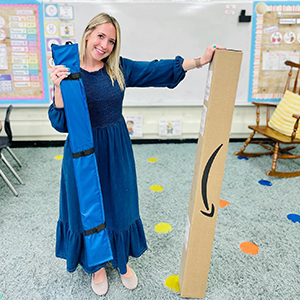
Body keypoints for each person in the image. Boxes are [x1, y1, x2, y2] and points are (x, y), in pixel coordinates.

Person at [48, 12, 222, 296]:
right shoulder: (67, 70)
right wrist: (57, 87)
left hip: (115, 148)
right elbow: (60, 123)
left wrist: (200, 62)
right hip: (81, 153)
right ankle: (97, 266)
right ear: (88, 34)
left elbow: (156, 70)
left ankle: (121, 260)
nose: (104, 45)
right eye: (100, 36)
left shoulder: (118, 69)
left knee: (120, 202)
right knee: (85, 206)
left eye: (111, 41)